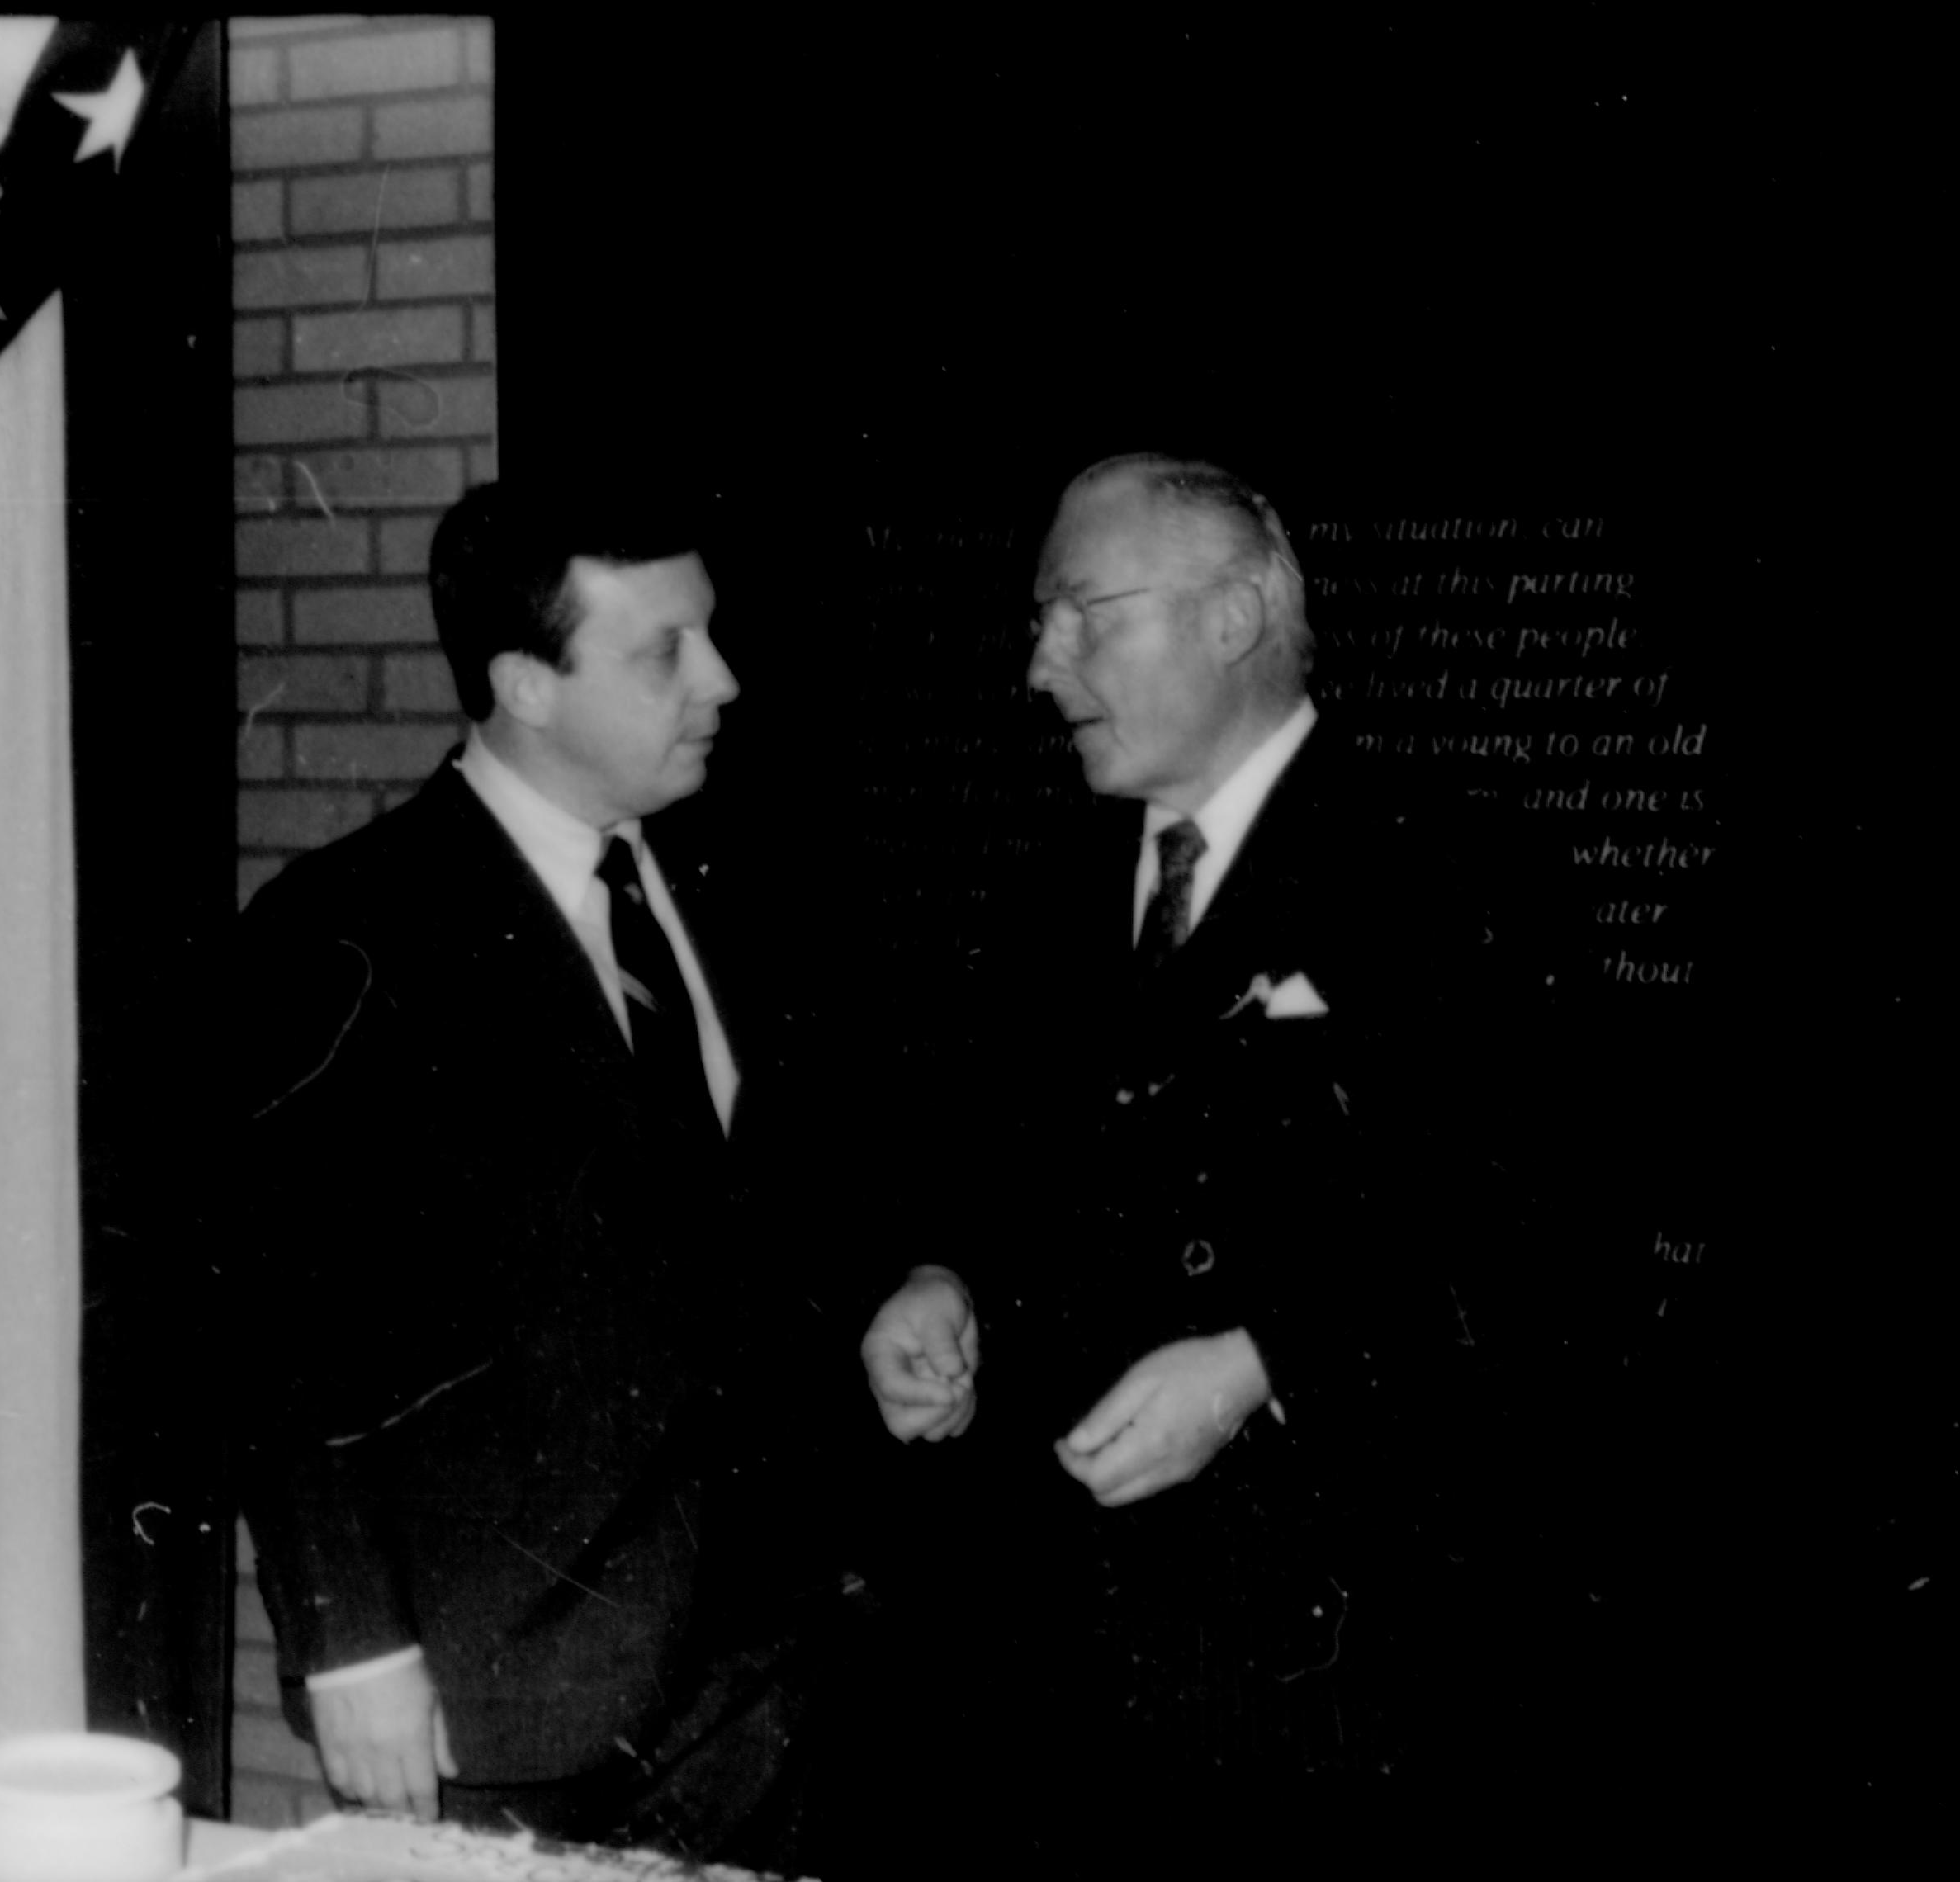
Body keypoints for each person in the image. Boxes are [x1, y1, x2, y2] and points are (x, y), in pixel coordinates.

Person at [857, 454, 1526, 1870]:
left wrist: (1260, 1360)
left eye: (1080, 614)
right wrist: (936, 1273)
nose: (1042, 666)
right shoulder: (1048, 878)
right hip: (1058, 1639)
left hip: (1318, 1644)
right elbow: (982, 1148)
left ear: (1230, 620)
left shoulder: (1446, 865)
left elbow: (1529, 1228)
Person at [230, 478, 851, 1868]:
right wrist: (349, 1647)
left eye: (712, 633)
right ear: (525, 683)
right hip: (505, 1690)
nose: (725, 681)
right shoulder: (346, 932)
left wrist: (892, 1296)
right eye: (666, 652)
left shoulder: (733, 885)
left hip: (763, 1663)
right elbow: (286, 1319)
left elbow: (756, 1203)